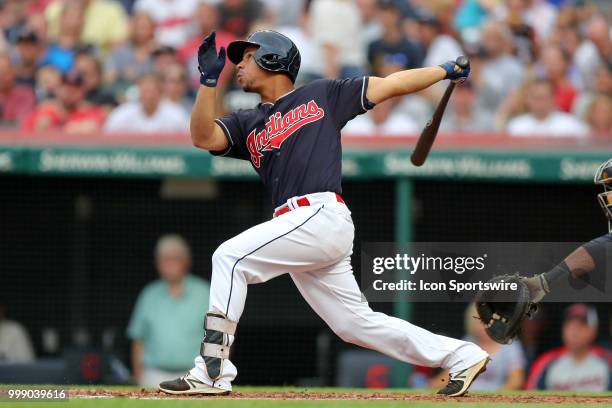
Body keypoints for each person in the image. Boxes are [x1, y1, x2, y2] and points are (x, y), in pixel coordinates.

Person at [158, 30, 489, 397]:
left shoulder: (323, 93)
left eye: (248, 56)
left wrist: (443, 70)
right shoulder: (247, 122)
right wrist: (207, 82)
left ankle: (211, 370)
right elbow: (202, 137)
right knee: (354, 324)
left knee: (230, 257)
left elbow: (391, 84)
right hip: (299, 226)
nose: (239, 63)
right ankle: (462, 355)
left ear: (272, 59)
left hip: (318, 212)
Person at [127, 235, 210, 387]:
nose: (169, 264)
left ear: (186, 261)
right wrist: (139, 375)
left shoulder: (205, 293)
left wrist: (212, 374)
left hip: (195, 375)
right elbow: (138, 339)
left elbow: (221, 336)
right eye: (164, 259)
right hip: (153, 375)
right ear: (157, 263)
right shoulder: (149, 294)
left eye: (175, 258)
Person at [525, 304, 611, 391]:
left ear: (593, 331)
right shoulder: (546, 362)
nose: (574, 332)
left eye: (580, 326)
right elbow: (529, 397)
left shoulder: (608, 360)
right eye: (570, 326)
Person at [22, 71, 106, 132]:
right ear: (57, 88)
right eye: (65, 85)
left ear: (83, 90)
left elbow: (94, 127)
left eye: (75, 86)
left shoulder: (89, 111)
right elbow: (27, 130)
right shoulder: (45, 109)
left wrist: (62, 128)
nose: (69, 90)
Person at [104, 73, 188, 133]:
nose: (149, 96)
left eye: (152, 91)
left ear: (160, 92)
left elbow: (187, 138)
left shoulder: (175, 114)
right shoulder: (123, 113)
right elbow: (108, 134)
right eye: (145, 91)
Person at [506, 79, 588, 137]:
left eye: (545, 97)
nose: (541, 102)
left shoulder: (570, 124)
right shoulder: (516, 126)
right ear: (527, 99)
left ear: (554, 98)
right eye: (536, 97)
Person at [0, 54, 36, 126]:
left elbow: (21, 121)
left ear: (13, 73)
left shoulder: (25, 93)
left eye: (4, 73)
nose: (2, 77)